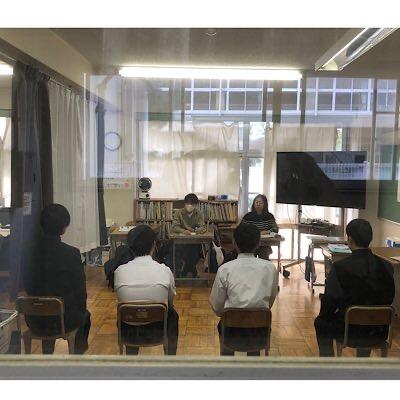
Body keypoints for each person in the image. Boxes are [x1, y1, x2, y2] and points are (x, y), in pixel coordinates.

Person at [314, 219, 395, 357]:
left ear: (350, 239)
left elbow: (331, 301)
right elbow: (389, 297)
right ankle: (363, 361)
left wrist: (326, 314)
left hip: (350, 330)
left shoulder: (339, 267)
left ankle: (328, 365)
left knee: (321, 323)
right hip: (379, 331)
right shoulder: (387, 266)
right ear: (370, 239)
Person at [26, 204, 91, 354]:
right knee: (85, 315)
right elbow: (81, 292)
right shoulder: (71, 254)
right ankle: (77, 357)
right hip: (64, 320)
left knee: (47, 307)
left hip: (35, 319)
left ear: (41, 224)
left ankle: (47, 354)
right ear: (64, 227)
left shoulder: (27, 253)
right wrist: (79, 310)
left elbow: (28, 285)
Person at [209, 223, 278, 356]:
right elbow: (270, 301)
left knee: (224, 322)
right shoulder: (270, 268)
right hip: (260, 331)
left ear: (234, 243)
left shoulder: (225, 269)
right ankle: (253, 364)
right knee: (256, 321)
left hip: (231, 332)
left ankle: (227, 364)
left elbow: (217, 307)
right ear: (258, 244)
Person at [114, 225, 179, 355]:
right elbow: (170, 300)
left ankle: (131, 358)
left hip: (129, 333)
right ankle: (170, 359)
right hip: (158, 330)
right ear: (154, 245)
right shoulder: (164, 270)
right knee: (172, 313)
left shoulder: (119, 271)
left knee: (126, 311)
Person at [171, 193, 207, 278]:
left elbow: (203, 227)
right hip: (181, 240)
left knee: (194, 252)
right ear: (184, 203)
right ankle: (191, 269)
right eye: (188, 204)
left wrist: (198, 230)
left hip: (195, 240)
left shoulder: (199, 213)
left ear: (195, 205)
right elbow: (174, 227)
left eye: (192, 204)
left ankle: (186, 269)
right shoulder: (178, 213)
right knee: (185, 251)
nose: (190, 206)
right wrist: (183, 231)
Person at [241, 194, 278, 260]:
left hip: (265, 243)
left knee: (264, 255)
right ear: (253, 204)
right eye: (256, 202)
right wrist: (254, 233)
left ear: (265, 204)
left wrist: (268, 232)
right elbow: (241, 229)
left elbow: (275, 229)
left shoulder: (269, 216)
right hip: (251, 244)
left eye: (260, 203)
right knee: (251, 258)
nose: (258, 204)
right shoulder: (248, 216)